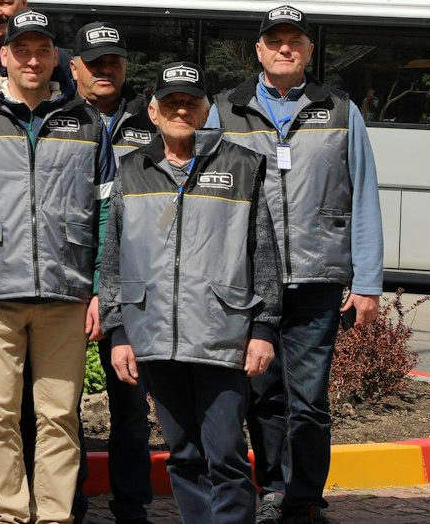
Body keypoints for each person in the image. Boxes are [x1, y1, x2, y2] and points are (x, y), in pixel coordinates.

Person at [0, 9, 111, 524]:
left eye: (42, 50)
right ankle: (7, 515)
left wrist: (100, 287)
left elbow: (106, 213)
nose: (32, 60)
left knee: (59, 417)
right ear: (4, 55)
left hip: (66, 293)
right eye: (22, 50)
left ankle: (55, 516)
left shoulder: (87, 121)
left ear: (56, 57)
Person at [212, 5, 383, 524]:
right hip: (249, 281)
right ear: (258, 50)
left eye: (295, 41)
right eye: (274, 41)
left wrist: (368, 281)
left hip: (318, 278)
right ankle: (273, 490)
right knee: (263, 396)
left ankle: (305, 497)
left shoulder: (339, 108)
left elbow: (365, 197)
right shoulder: (227, 109)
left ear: (309, 50)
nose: (285, 48)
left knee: (308, 400)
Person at [104, 62, 282, 524]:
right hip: (154, 335)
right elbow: (113, 258)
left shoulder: (241, 166)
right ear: (153, 110)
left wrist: (263, 327)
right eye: (170, 102)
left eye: (190, 102)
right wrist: (118, 330)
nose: (180, 109)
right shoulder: (132, 169)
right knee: (182, 455)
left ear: (206, 110)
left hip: (222, 334)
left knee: (225, 453)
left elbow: (262, 251)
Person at [65, 22, 156, 524]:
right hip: (70, 279)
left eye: (113, 62)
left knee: (130, 404)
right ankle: (70, 500)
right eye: (95, 62)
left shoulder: (152, 120)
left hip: (133, 285)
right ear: (74, 67)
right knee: (62, 403)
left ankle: (131, 505)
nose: (105, 70)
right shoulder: (59, 117)